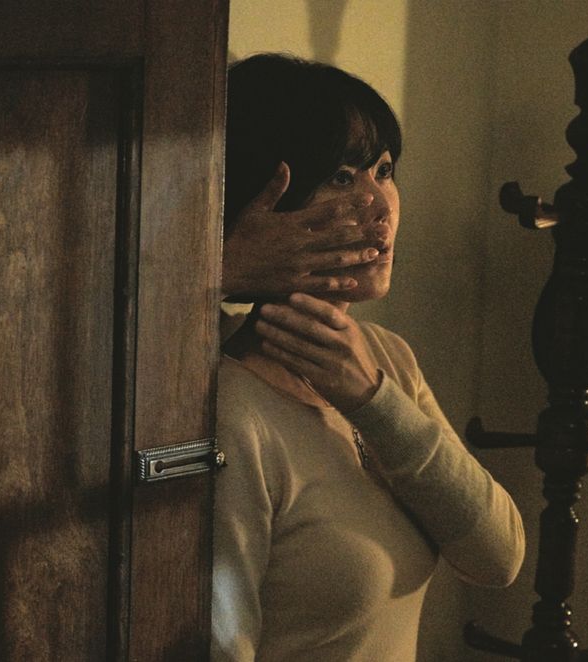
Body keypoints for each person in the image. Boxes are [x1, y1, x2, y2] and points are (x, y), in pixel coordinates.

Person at [212, 53, 525, 662]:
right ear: (265, 201)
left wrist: (374, 400)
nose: (380, 205)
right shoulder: (232, 404)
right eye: (341, 177)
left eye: (384, 171)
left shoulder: (388, 358)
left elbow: (498, 557)